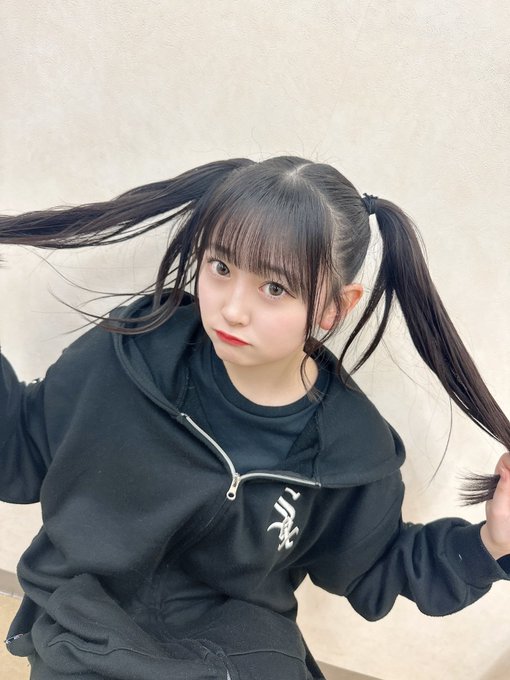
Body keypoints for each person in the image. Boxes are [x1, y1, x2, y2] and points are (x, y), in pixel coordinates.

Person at [1, 156, 509, 680]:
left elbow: (378, 564)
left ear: (334, 308)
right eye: (221, 268)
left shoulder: (349, 447)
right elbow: (22, 449)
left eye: (274, 288)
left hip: (235, 655)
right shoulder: (134, 352)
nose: (232, 309)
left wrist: (492, 542)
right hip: (87, 627)